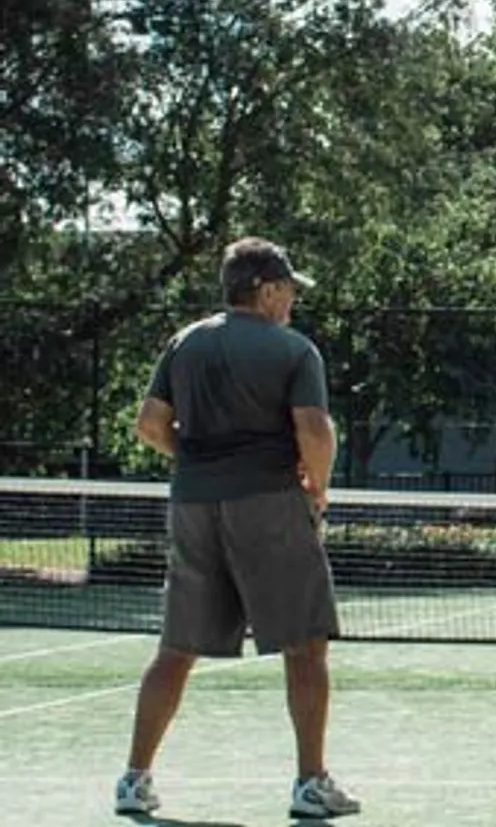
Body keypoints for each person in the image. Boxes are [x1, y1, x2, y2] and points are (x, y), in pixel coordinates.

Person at [114, 238, 360, 820]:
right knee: (304, 646)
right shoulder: (294, 351)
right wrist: (316, 489)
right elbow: (316, 431)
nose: (293, 301)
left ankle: (133, 780)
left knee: (175, 649)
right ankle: (310, 784)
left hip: (193, 507)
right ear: (266, 289)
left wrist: (195, 461)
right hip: (271, 503)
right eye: (289, 290)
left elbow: (149, 425)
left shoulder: (184, 343)